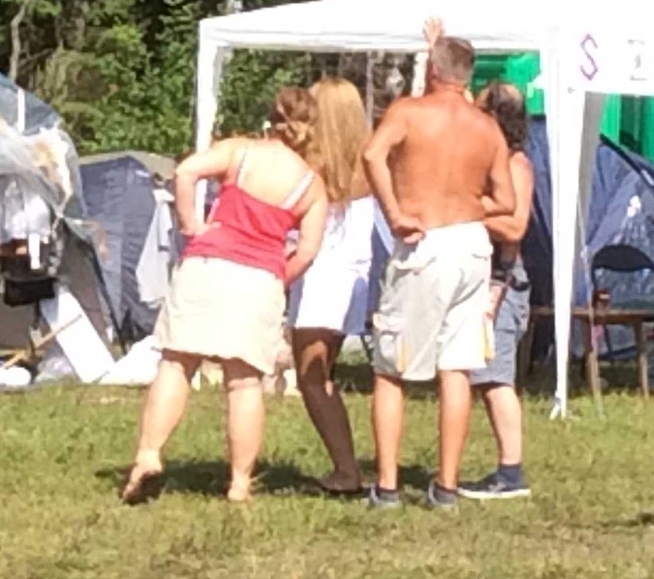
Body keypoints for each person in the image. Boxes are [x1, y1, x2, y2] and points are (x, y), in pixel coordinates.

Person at [121, 87, 329, 504]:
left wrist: (191, 226)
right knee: (244, 382)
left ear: (271, 119)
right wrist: (279, 277)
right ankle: (238, 483)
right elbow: (307, 250)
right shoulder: (311, 185)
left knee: (176, 363)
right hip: (259, 277)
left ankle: (148, 455)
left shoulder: (240, 151)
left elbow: (185, 172)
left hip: (207, 265)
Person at [363, 34, 515, 511]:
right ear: (467, 76)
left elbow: (372, 155)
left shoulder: (409, 112)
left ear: (432, 69)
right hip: (471, 244)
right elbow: (507, 199)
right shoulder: (486, 127)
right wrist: (468, 204)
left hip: (423, 238)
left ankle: (387, 486)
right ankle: (446, 486)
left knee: (391, 367)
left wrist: (394, 211)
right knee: (457, 366)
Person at [288, 77, 377, 496]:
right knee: (324, 373)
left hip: (318, 272)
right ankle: (347, 466)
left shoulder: (310, 164)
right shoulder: (370, 162)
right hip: (355, 273)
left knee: (312, 376)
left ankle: (346, 468)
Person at [459, 81, 536, 500]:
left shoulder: (516, 165)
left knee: (495, 376)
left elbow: (515, 226)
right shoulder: (488, 161)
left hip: (502, 281)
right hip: (476, 273)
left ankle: (511, 471)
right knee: (481, 374)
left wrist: (466, 210)